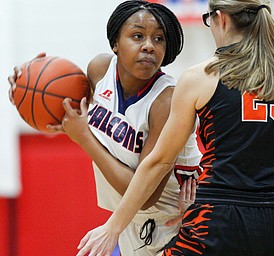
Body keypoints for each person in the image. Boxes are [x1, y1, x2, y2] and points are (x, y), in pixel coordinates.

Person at [71, 0, 274, 255]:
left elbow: (159, 162)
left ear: (220, 18)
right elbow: (256, 148)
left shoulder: (201, 76)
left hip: (222, 219)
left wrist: (112, 227)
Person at [8, 1, 202, 255]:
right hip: (130, 217)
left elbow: (145, 195)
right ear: (115, 44)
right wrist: (25, 87)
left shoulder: (165, 101)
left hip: (172, 220)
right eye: (137, 35)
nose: (148, 45)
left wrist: (84, 139)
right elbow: (70, 118)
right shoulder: (100, 70)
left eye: (158, 39)